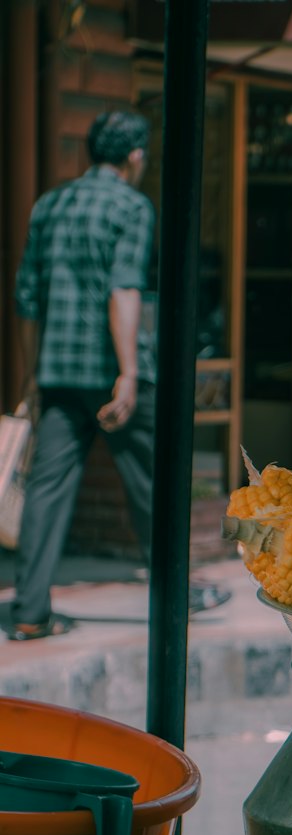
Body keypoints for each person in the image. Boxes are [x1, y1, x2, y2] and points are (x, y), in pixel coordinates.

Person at [7, 109, 230, 641]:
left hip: (58, 374)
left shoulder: (49, 204)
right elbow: (124, 288)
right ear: (134, 156)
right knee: (155, 488)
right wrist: (129, 373)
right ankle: (178, 597)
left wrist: (31, 377)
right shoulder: (131, 206)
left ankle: (30, 613)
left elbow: (27, 300)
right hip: (114, 376)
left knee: (46, 490)